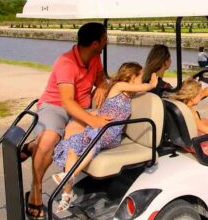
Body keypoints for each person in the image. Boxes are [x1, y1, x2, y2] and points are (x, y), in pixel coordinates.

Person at [22, 23, 111, 219]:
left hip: (80, 107)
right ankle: (34, 192)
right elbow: (68, 102)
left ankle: (31, 148)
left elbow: (100, 78)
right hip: (56, 106)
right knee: (48, 141)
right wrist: (92, 120)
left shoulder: (95, 58)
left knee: (78, 140)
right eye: (105, 38)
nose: (107, 42)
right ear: (96, 43)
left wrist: (103, 85)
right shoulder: (66, 63)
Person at [51, 62, 158, 212]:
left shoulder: (130, 95)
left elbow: (140, 89)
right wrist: (152, 83)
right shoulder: (118, 87)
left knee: (95, 137)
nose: (142, 81)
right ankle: (67, 194)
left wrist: (151, 85)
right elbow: (141, 88)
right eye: (140, 77)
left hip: (111, 133)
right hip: (99, 127)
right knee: (72, 146)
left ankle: (69, 175)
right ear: (132, 77)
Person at [143, 44, 208, 98]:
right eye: (170, 58)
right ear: (166, 62)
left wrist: (184, 83)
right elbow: (182, 101)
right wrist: (203, 93)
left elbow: (175, 93)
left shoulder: (143, 82)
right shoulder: (164, 88)